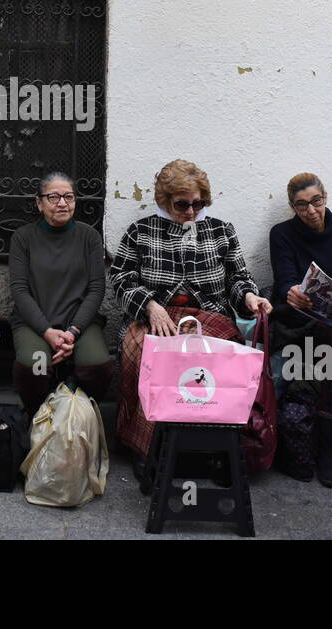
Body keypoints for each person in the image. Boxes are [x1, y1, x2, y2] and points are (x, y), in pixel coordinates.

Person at [110, 159, 271, 471]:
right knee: (139, 353)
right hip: (157, 314)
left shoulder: (221, 230)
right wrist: (149, 306)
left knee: (214, 360)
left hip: (210, 315)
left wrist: (250, 297)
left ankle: (209, 447)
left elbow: (237, 278)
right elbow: (121, 279)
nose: (190, 212)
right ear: (164, 200)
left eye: (198, 204)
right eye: (182, 204)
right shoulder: (141, 231)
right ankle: (145, 446)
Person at [268, 172, 332, 486]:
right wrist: (293, 293)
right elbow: (284, 281)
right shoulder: (281, 234)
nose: (310, 210)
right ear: (293, 208)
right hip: (297, 319)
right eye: (301, 205)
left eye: (316, 201)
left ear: (326, 197)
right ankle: (329, 452)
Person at [9, 172, 113, 415]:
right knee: (34, 366)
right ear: (39, 203)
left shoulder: (89, 237)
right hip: (35, 324)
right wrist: (47, 332)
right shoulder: (23, 238)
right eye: (53, 197)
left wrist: (72, 332)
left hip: (79, 324)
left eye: (69, 197)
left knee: (98, 365)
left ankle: (79, 415)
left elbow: (97, 288)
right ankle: (38, 419)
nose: (63, 203)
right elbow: (20, 290)